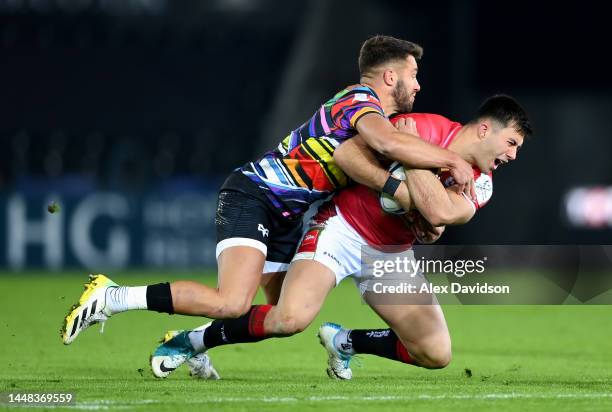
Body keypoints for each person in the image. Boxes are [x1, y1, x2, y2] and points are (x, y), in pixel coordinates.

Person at [61, 35, 475, 346]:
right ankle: (114, 296)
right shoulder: (358, 101)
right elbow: (388, 144)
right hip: (254, 197)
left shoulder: (373, 118)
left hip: (286, 217)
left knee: (285, 317)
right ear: (390, 76)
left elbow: (379, 162)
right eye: (413, 75)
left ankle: (195, 342)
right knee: (231, 302)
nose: (418, 85)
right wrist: (450, 160)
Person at [150, 95, 532, 380]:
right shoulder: (424, 126)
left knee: (436, 353)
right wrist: (413, 179)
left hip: (390, 255)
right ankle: (193, 341)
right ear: (484, 129)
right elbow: (347, 155)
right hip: (341, 229)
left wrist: (411, 160)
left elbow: (441, 215)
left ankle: (345, 342)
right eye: (511, 143)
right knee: (289, 319)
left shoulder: (483, 184)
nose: (513, 156)